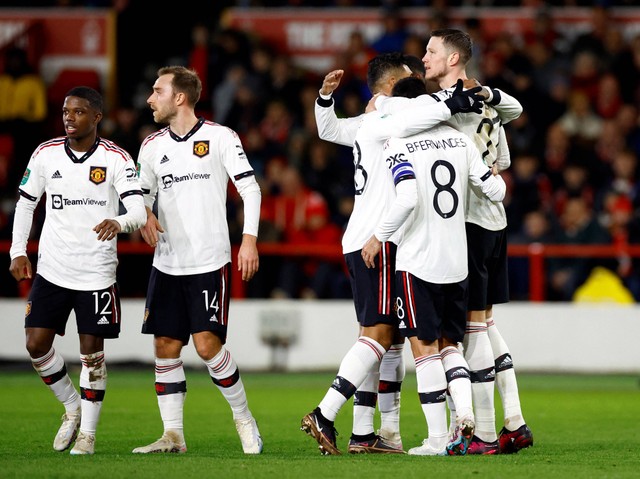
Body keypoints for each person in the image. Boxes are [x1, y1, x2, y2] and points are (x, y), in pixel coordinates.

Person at [301, 52, 484, 455]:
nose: (420, 81)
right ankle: (326, 413)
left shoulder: (374, 122)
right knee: (379, 336)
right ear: (392, 88)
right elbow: (426, 109)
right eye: (411, 79)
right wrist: (461, 98)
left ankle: (373, 433)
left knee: (388, 341)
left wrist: (325, 99)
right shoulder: (397, 116)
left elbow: (329, 129)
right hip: (378, 241)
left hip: (369, 239)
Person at [377, 28, 533, 454]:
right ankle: (514, 420)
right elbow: (501, 160)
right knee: (484, 324)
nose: (424, 58)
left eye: (430, 52)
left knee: (468, 331)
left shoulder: (442, 108)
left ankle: (482, 432)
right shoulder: (486, 102)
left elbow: (398, 121)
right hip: (492, 219)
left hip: (463, 224)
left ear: (452, 59)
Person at [362, 75, 507, 456]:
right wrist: (497, 183)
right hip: (457, 259)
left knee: (423, 347)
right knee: (450, 345)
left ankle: (438, 439)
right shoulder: (461, 141)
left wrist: (379, 235)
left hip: (418, 258)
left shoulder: (399, 141)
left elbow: (407, 196)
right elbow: (496, 189)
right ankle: (464, 416)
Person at [132, 66, 263, 455]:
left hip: (209, 260)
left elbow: (250, 189)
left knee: (207, 347)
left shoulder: (221, 137)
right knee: (166, 346)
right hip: (167, 263)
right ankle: (173, 435)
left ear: (179, 98)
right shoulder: (151, 145)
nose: (149, 99)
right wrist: (144, 210)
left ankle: (243, 417)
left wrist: (249, 241)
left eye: (157, 91)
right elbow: (139, 193)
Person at [8, 86, 146, 455]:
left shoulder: (117, 158)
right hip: (52, 269)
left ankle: (88, 434)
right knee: (36, 345)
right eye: (67, 111)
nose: (70, 117)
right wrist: (18, 251)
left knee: (91, 356)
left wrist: (118, 223)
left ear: (97, 117)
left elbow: (137, 212)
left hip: (96, 273)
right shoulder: (45, 153)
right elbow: (25, 205)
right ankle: (71, 406)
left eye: (79, 112)